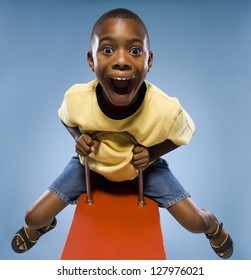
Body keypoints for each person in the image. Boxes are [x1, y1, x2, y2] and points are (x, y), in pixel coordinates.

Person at [11, 8, 233, 259]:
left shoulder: (165, 108)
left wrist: (152, 154)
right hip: (92, 166)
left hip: (142, 170)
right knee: (33, 216)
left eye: (135, 51)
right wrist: (78, 138)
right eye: (107, 50)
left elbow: (184, 133)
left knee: (194, 223)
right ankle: (45, 226)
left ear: (149, 61)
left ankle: (212, 224)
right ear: (91, 60)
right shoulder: (76, 98)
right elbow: (66, 118)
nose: (121, 60)